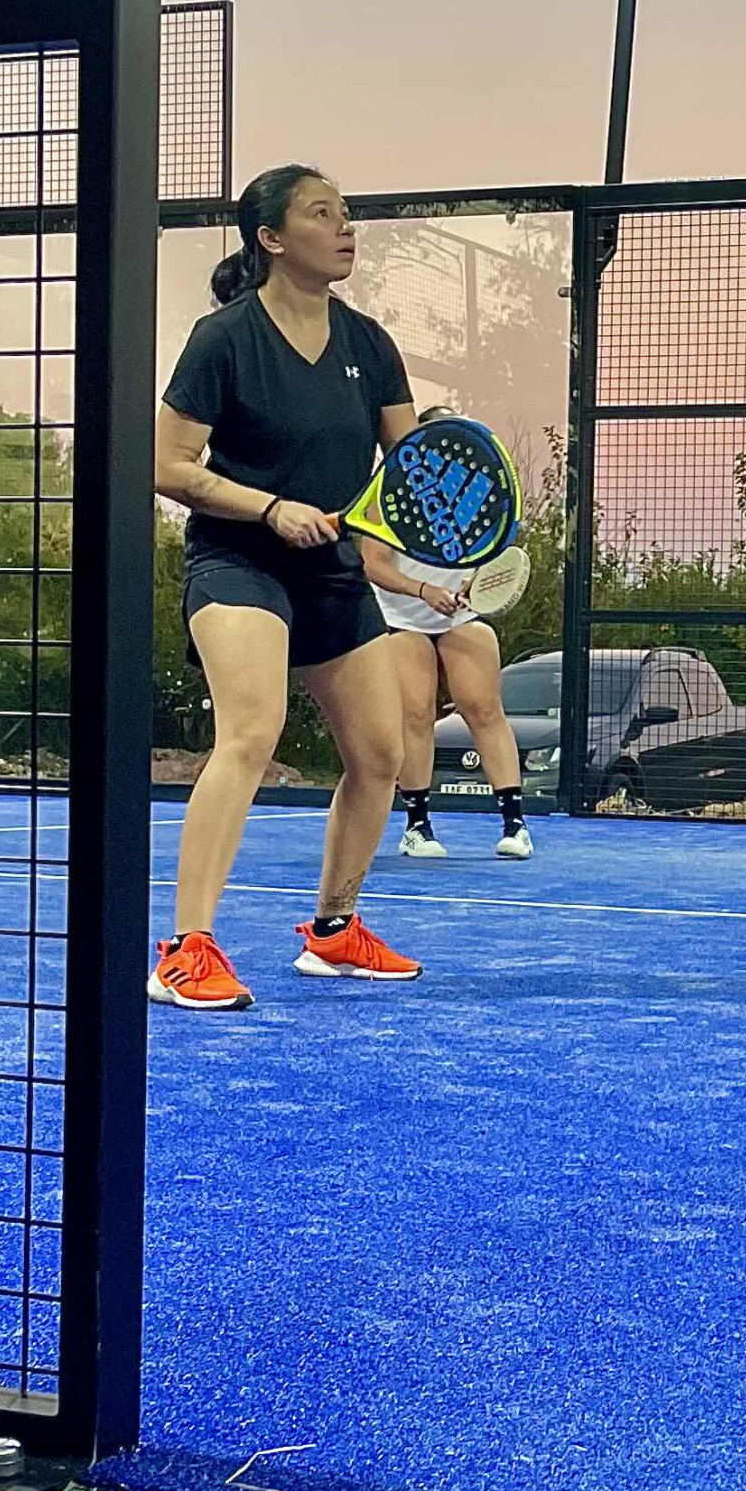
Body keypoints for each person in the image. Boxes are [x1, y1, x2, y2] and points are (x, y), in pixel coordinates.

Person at [150, 163, 424, 1012]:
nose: (346, 227)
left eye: (347, 213)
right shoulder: (223, 338)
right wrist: (269, 508)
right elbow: (165, 465)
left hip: (332, 569)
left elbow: (407, 467)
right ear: (271, 238)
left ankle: (335, 930)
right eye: (322, 213)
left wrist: (427, 502)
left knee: (381, 754)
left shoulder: (369, 344)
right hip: (238, 561)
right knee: (251, 731)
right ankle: (185, 950)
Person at [359, 412, 534, 863]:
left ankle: (515, 826)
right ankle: (417, 828)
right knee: (416, 713)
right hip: (401, 616)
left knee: (483, 708)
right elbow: (373, 564)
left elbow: (492, 553)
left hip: (460, 614)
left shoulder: (479, 492)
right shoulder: (387, 491)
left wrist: (474, 581)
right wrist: (423, 591)